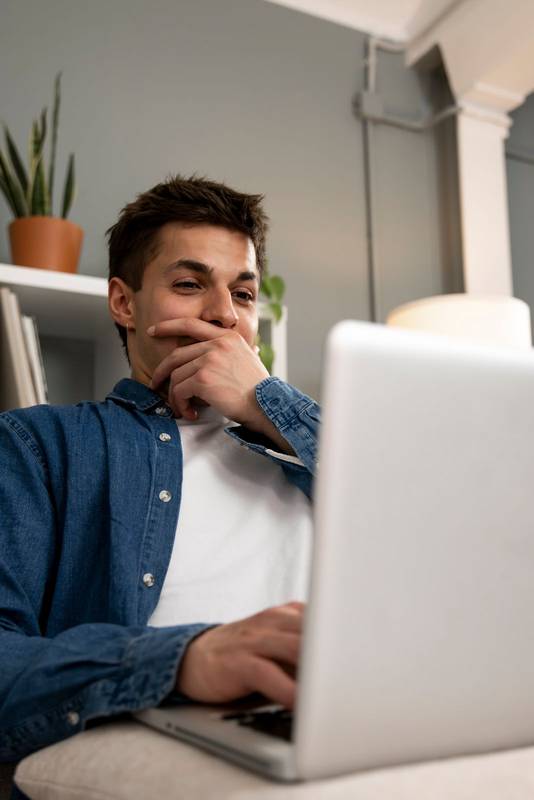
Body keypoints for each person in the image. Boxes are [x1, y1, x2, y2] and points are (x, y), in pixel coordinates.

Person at [0, 175, 320, 763]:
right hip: (157, 741)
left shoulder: (313, 447)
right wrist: (185, 660)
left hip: (323, 727)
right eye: (189, 283)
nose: (225, 315)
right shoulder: (38, 444)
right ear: (124, 303)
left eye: (244, 294)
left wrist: (266, 405)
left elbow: (433, 538)